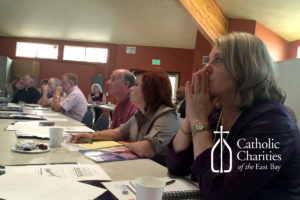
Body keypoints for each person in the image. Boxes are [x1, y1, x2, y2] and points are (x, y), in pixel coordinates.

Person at [166, 32, 300, 199]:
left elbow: (220, 194)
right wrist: (192, 115)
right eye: (209, 60)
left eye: (219, 60)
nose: (205, 68)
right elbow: (175, 166)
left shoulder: (274, 123)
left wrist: (199, 120)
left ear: (247, 68)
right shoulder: (217, 113)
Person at [72, 68, 180, 165]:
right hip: (139, 168)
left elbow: (146, 149)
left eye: (136, 85)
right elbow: (118, 132)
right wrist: (91, 136)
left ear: (150, 91)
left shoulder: (167, 115)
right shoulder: (141, 113)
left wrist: (126, 145)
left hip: (158, 178)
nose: (132, 89)